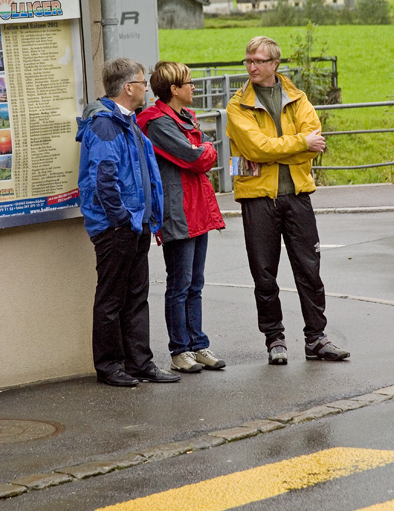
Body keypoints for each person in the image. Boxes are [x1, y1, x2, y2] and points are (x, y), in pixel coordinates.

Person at [226, 36, 350, 364]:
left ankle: (316, 339)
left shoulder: (297, 97)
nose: (251, 66)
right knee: (264, 273)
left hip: (297, 193)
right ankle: (274, 338)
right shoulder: (237, 105)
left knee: (309, 268)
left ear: (274, 64)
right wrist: (298, 144)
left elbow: (314, 143)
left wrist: (279, 149)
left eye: (258, 61)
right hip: (256, 197)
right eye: (248, 60)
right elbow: (254, 149)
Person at [76, 58, 180, 386]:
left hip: (137, 224)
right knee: (111, 299)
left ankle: (140, 363)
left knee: (136, 296)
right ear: (128, 88)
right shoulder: (106, 124)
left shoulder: (127, 121)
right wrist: (121, 220)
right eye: (141, 82)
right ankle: (109, 367)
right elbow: (104, 178)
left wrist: (145, 220)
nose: (146, 88)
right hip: (117, 228)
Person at [137, 61, 226, 374]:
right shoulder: (158, 122)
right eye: (188, 83)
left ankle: (197, 343)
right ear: (174, 90)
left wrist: (201, 148)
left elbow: (200, 152)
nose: (193, 87)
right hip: (178, 211)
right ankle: (180, 350)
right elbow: (196, 157)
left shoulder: (185, 117)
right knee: (180, 283)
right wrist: (203, 148)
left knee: (195, 283)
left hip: (195, 207)